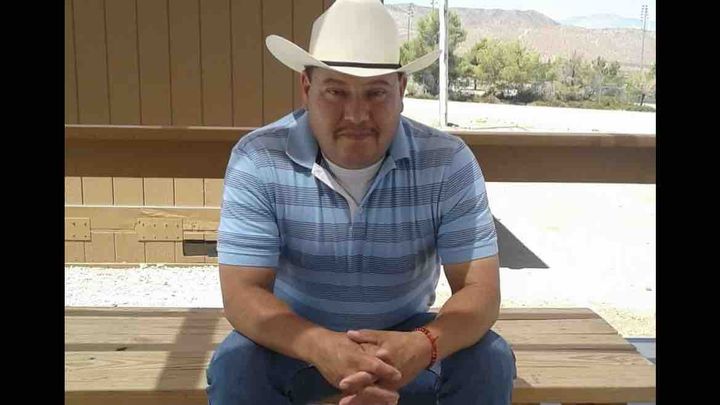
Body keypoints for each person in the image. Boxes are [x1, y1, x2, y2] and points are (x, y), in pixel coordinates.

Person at [206, 1, 515, 404]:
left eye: (376, 92)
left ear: (401, 90)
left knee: (489, 359)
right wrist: (319, 345)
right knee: (236, 365)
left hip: (406, 335)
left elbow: (481, 290)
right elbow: (241, 292)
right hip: (296, 338)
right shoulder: (259, 159)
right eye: (335, 91)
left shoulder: (447, 162)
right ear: (306, 88)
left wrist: (423, 344)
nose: (356, 114)